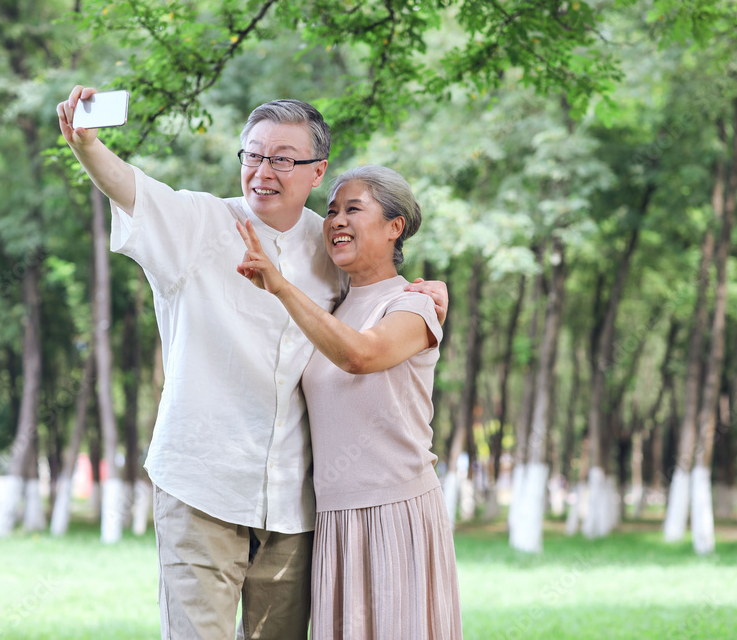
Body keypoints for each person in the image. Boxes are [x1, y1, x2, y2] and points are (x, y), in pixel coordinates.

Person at [55, 86, 447, 639]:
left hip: (295, 501)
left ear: (317, 171)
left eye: (283, 158)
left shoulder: (330, 247)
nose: (264, 170)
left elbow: (374, 309)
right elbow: (134, 190)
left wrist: (427, 292)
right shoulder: (198, 224)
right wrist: (87, 145)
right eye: (254, 155)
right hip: (202, 483)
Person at [236, 164, 462, 639]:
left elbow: (362, 355)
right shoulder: (334, 307)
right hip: (334, 518)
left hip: (395, 511)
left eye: (354, 209)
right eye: (332, 210)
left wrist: (279, 284)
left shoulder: (413, 304)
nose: (336, 219)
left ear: (394, 227)